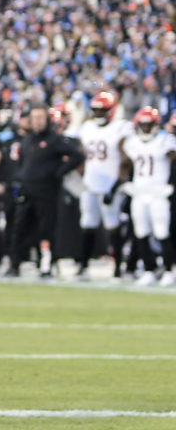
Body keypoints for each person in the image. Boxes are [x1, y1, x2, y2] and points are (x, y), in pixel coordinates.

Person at [5, 104, 84, 278]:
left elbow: (77, 156)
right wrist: (18, 183)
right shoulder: (26, 140)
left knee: (46, 230)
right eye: (35, 118)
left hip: (46, 192)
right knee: (19, 228)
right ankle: (14, 264)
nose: (38, 122)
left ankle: (48, 265)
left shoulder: (54, 140)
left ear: (47, 119)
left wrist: (59, 172)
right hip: (26, 191)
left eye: (41, 118)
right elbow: (22, 165)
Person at [116, 107, 176, 285]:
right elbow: (125, 159)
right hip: (140, 192)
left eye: (149, 125)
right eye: (143, 124)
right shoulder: (133, 142)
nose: (146, 128)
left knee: (161, 232)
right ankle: (149, 270)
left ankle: (168, 270)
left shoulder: (165, 141)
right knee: (141, 232)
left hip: (158, 193)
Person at [75, 91, 130, 279]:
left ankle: (118, 269)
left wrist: (116, 187)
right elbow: (81, 156)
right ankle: (83, 265)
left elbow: (125, 160)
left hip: (110, 183)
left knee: (112, 225)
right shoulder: (87, 128)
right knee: (87, 223)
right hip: (90, 183)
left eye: (102, 110)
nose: (98, 114)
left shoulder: (120, 128)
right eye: (96, 110)